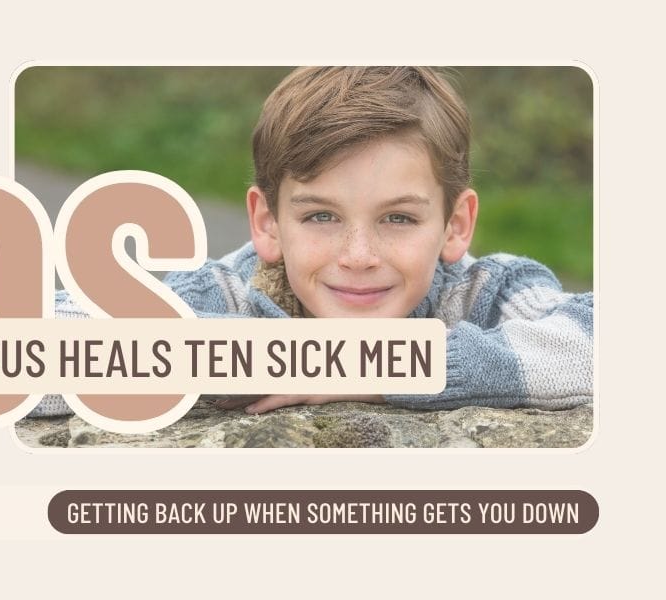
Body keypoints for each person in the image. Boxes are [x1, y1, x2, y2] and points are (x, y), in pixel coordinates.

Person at [29, 66, 593, 417]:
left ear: (455, 224)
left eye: (398, 219)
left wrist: (376, 367)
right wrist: (279, 355)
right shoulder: (227, 294)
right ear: (268, 222)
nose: (358, 256)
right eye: (321, 216)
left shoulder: (486, 288)